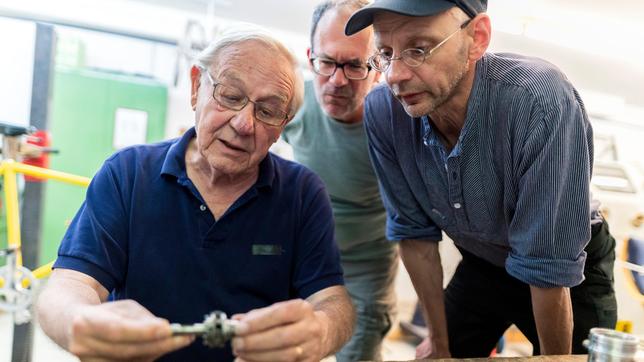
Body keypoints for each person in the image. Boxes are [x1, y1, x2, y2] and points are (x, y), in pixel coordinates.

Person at [36, 29, 355, 362]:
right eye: (230, 96)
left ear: (283, 126)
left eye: (268, 111)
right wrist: (79, 321)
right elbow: (69, 285)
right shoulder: (127, 174)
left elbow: (333, 300)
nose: (244, 124)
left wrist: (321, 331)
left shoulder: (303, 194)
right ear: (195, 87)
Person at [345, 0, 617, 358]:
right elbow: (414, 235)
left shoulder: (539, 101)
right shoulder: (384, 112)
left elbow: (548, 265)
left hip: (569, 272)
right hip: (483, 263)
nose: (394, 76)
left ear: (477, 37)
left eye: (419, 50)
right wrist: (439, 344)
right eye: (384, 52)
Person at [281, 1, 397, 361]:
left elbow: (419, 227)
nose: (337, 80)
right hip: (302, 259)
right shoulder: (292, 102)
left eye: (353, 65)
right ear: (310, 57)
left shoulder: (397, 124)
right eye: (327, 62)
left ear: (376, 68)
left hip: (366, 272)